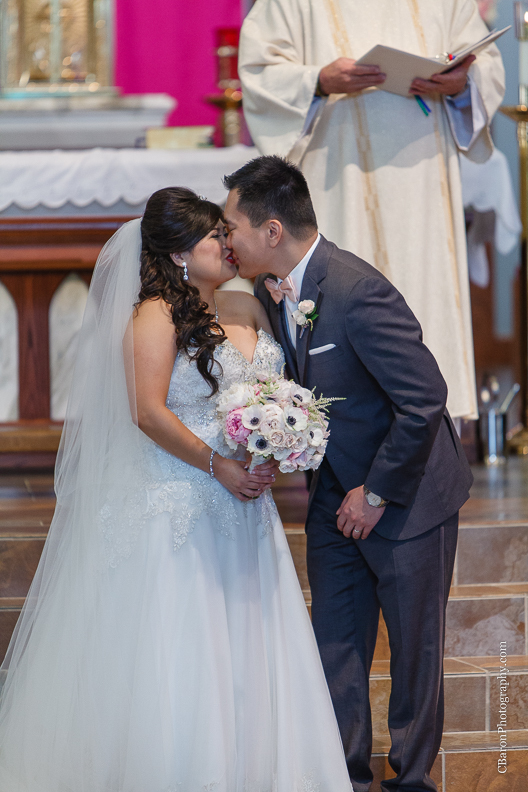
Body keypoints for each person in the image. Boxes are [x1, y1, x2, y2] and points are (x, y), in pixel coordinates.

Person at [0, 188, 353, 792]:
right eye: (216, 235)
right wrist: (219, 465)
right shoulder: (154, 316)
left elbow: (271, 397)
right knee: (191, 648)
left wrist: (274, 446)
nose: (228, 244)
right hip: (182, 500)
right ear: (181, 253)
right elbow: (147, 411)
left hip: (247, 501)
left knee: (251, 643)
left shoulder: (248, 305)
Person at [223, 156, 474, 792]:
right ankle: (346, 779)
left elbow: (424, 399)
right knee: (335, 645)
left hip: (407, 495)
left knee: (415, 653)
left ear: (272, 230)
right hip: (334, 494)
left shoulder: (359, 290)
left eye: (232, 227)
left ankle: (411, 782)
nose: (226, 240)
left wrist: (377, 491)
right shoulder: (271, 292)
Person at [238, 0, 506, 421]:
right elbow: (260, 70)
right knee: (342, 291)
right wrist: (318, 80)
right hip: (336, 172)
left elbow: (483, 62)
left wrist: (461, 83)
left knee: (422, 299)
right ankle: (333, 429)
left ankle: (429, 428)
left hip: (422, 179)